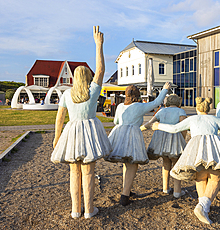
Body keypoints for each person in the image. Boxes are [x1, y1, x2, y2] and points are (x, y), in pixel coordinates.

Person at [152, 97, 220, 225]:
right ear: (208, 108)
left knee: (200, 177)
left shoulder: (192, 119)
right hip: (213, 147)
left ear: (197, 108)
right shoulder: (214, 119)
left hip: (196, 148)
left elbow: (175, 129)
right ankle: (202, 206)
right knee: (216, 177)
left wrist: (159, 126)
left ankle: (203, 206)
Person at [51, 26, 112, 219]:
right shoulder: (92, 91)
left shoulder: (66, 94)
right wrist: (98, 44)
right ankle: (89, 210)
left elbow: (60, 117)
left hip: (72, 132)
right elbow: (101, 69)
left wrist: (56, 137)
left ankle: (75, 210)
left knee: (73, 173)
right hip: (89, 133)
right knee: (88, 172)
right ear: (87, 77)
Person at [105, 82, 171, 206]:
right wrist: (164, 90)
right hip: (132, 134)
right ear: (137, 95)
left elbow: (116, 121)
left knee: (126, 162)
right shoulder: (139, 106)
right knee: (132, 164)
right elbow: (156, 103)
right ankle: (125, 196)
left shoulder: (120, 106)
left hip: (119, 133)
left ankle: (127, 189)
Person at [141, 94, 187, 198]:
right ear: (178, 103)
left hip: (162, 140)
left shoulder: (162, 111)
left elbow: (150, 123)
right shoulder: (180, 111)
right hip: (175, 139)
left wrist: (141, 128)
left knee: (165, 162)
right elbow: (184, 126)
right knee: (176, 165)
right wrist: (182, 139)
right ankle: (177, 191)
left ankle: (165, 188)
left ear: (167, 103)